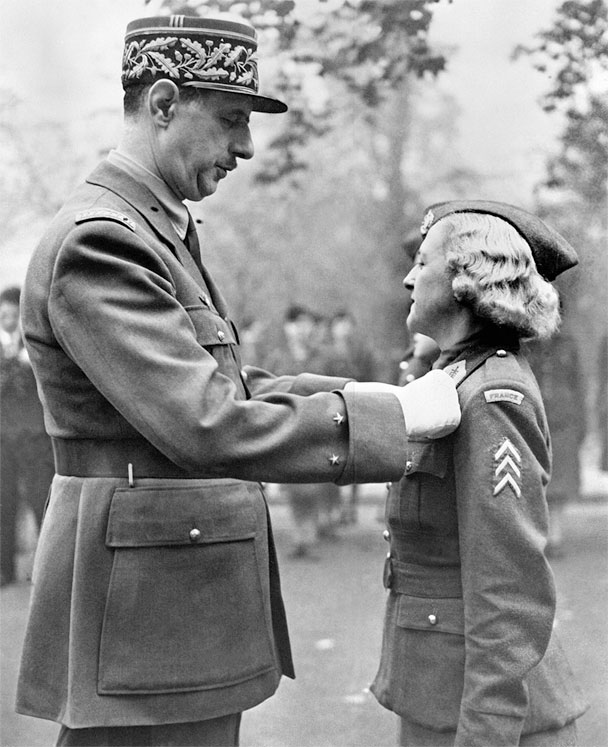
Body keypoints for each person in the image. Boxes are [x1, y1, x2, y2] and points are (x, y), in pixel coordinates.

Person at [15, 15, 461, 747]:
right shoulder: (104, 242)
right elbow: (207, 420)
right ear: (164, 103)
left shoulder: (150, 228)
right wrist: (395, 420)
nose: (246, 147)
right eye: (230, 119)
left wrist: (380, 402)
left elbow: (229, 383)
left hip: (164, 598)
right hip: (145, 611)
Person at [371, 201, 588, 746]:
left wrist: (487, 733)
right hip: (438, 688)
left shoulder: (493, 397)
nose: (408, 279)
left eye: (422, 263)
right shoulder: (456, 378)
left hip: (483, 711)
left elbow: (509, 587)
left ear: (464, 282)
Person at [0, 286, 54, 587]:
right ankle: (4, 570)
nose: (9, 321)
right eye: (3, 316)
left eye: (13, 315)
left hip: (34, 437)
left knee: (40, 499)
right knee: (3, 502)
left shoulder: (36, 345)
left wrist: (25, 359)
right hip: (3, 439)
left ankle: (48, 570)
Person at [527, 326, 586, 557]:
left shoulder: (568, 345)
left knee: (560, 481)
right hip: (535, 418)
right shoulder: (527, 346)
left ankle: (556, 536)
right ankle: (539, 535)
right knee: (536, 478)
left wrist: (581, 422)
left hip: (563, 421)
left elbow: (578, 385)